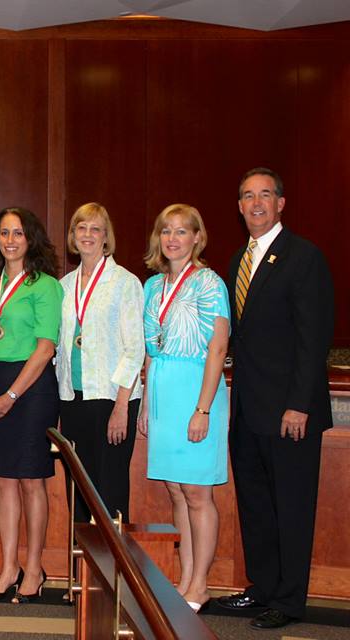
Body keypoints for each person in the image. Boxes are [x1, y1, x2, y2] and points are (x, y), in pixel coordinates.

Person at [216, 169, 334, 630]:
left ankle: (289, 600)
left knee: (292, 506)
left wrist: (299, 404)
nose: (257, 203)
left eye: (266, 195)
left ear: (281, 203)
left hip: (290, 412)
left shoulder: (303, 258)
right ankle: (262, 589)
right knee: (257, 505)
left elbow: (313, 338)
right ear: (240, 206)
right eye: (248, 196)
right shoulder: (237, 260)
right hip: (247, 410)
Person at [137, 204, 230, 614]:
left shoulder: (210, 283)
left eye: (182, 231)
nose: (173, 238)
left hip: (196, 392)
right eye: (166, 231)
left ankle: (202, 583)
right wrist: (144, 403)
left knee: (197, 492)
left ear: (197, 237)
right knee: (176, 490)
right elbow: (150, 349)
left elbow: (218, 348)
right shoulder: (153, 286)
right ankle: (185, 577)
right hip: (161, 394)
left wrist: (203, 409)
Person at [0, 207, 62, 604]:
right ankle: (9, 566)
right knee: (2, 480)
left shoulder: (45, 285)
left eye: (18, 233)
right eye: (4, 233)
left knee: (30, 480)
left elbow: (46, 347)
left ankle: (35, 567)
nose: (10, 240)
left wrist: (12, 396)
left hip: (31, 388)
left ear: (31, 239)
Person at [56, 203, 144, 524]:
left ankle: (113, 573)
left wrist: (121, 407)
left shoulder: (125, 283)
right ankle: (84, 574)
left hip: (112, 401)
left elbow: (134, 349)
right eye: (82, 228)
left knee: (110, 491)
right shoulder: (64, 287)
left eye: (96, 229)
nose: (88, 235)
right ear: (73, 236)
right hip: (74, 400)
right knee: (79, 491)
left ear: (106, 237)